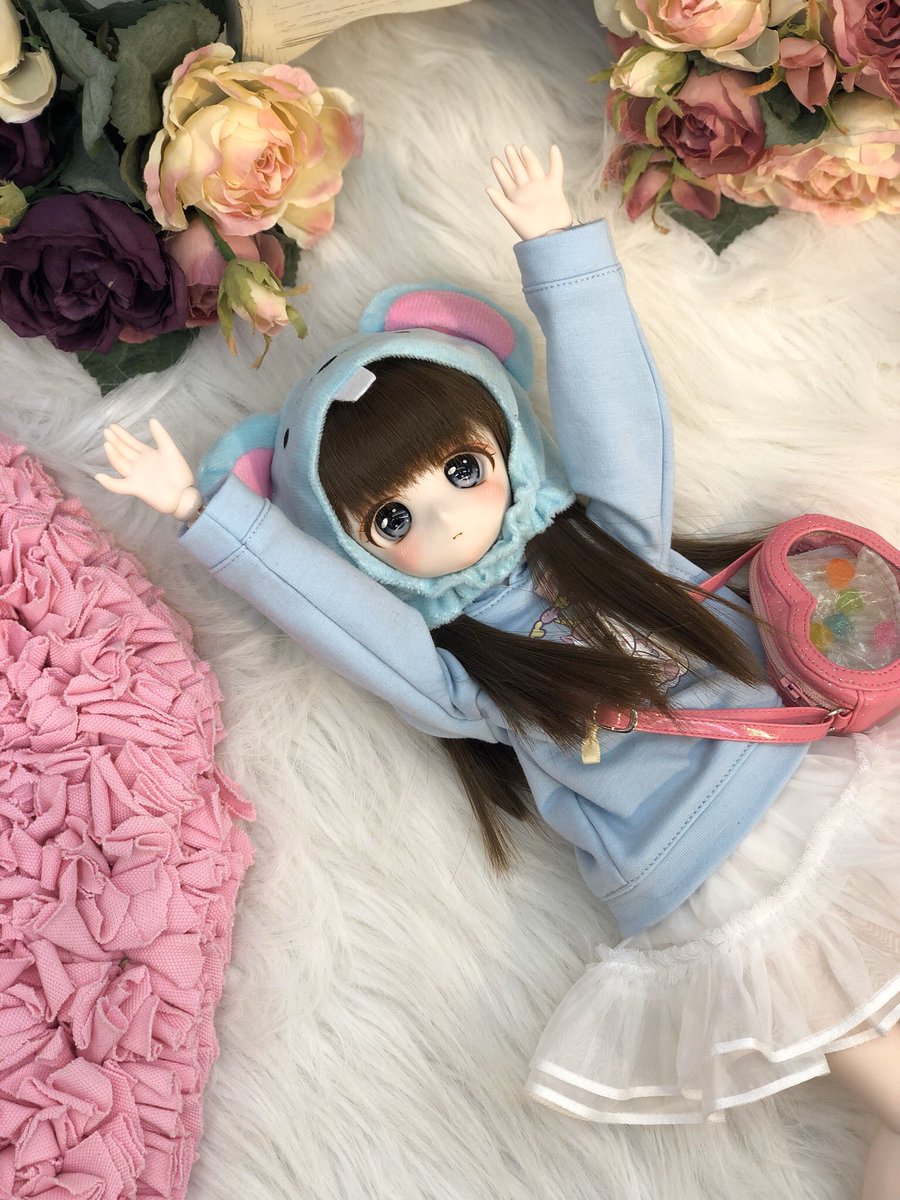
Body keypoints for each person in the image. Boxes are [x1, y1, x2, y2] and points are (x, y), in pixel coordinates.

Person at [97, 144, 900, 1196]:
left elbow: (617, 415)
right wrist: (215, 520)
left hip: (809, 795)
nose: (441, 517)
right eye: (392, 521)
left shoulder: (613, 539)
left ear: (506, 447)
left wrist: (559, 250)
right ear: (358, 553)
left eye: (462, 469)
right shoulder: (463, 683)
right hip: (714, 883)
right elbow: (344, 625)